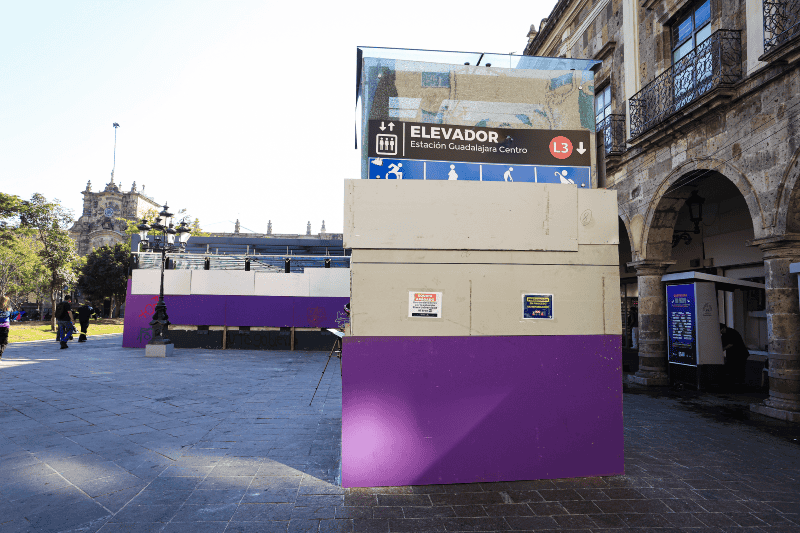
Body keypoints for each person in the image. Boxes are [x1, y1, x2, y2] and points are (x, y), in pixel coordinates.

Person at [0, 294, 11, 360]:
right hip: (5, 327)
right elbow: (11, 314)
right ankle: (0, 352)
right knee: (4, 342)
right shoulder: (8, 308)